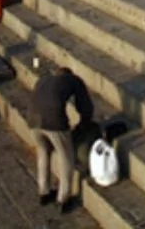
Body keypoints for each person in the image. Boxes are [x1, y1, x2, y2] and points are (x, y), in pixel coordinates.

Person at [31, 66, 93, 215]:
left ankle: (44, 192)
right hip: (54, 121)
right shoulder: (74, 80)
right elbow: (84, 105)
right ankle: (63, 198)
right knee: (66, 156)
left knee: (43, 152)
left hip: (33, 119)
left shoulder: (43, 79)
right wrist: (85, 122)